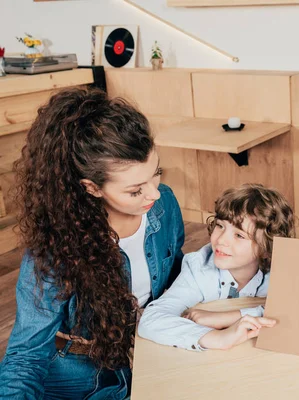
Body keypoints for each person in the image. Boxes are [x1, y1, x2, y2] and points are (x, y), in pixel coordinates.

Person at [0, 87, 184, 399]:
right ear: (92, 188)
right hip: (77, 377)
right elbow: (26, 356)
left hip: (151, 353)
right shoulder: (55, 248)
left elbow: (178, 277)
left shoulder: (163, 205)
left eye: (156, 174)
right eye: (135, 190)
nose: (154, 193)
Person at [138, 183, 295, 351]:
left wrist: (229, 317)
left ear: (266, 249)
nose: (221, 240)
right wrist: (218, 338)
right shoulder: (198, 269)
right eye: (220, 226)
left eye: (239, 235)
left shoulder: (281, 271)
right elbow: (151, 319)